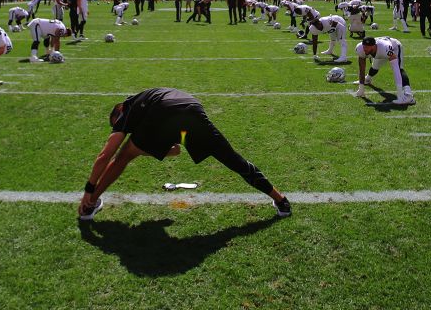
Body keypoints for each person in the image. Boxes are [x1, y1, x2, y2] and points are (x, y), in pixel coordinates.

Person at [77, 88, 291, 221]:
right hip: (192, 108)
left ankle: (90, 204)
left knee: (122, 157)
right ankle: (280, 200)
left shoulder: (128, 109)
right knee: (233, 159)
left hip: (164, 112)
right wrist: (146, 149)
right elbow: (176, 150)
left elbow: (106, 155)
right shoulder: (150, 98)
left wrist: (89, 189)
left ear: (119, 111)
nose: (125, 131)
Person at [355, 35, 415, 105]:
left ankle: (409, 95)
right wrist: (361, 88)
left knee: (399, 69)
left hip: (394, 47)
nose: (365, 49)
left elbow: (396, 70)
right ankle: (367, 79)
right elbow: (362, 68)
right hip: (380, 50)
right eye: (364, 46)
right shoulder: (360, 49)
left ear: (374, 46)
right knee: (374, 67)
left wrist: (399, 95)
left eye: (367, 47)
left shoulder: (386, 48)